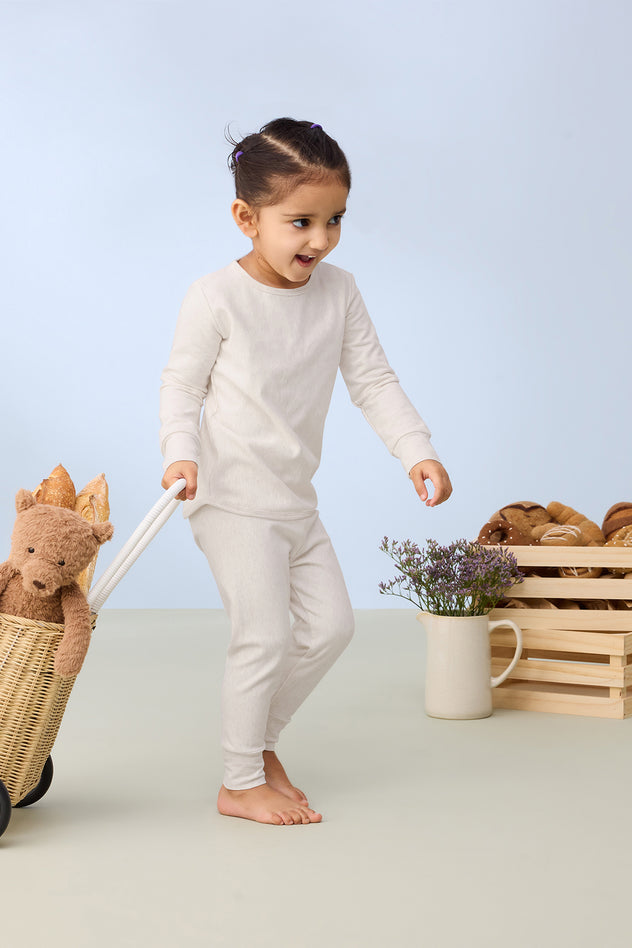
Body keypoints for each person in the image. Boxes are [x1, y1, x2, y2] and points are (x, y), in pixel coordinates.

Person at [159, 118, 452, 826]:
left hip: (294, 500)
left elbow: (374, 381)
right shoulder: (215, 298)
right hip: (229, 498)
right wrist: (181, 452)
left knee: (331, 628)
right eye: (300, 222)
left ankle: (258, 746)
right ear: (246, 219)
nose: (319, 239)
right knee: (262, 635)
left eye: (334, 220)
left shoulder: (339, 293)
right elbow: (181, 385)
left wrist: (416, 449)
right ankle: (238, 780)